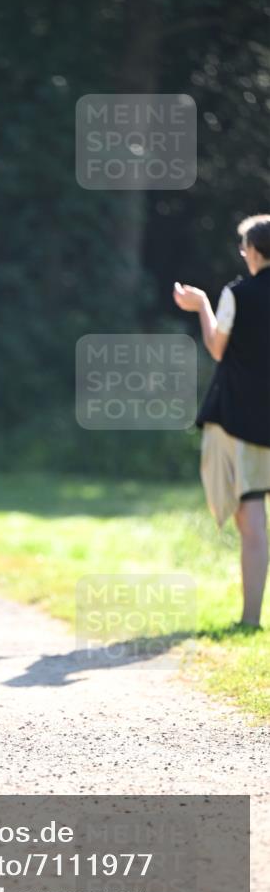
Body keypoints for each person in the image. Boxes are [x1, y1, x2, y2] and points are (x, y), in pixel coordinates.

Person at [173, 214, 270, 629]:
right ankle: (250, 620)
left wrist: (201, 306)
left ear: (252, 250)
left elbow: (216, 347)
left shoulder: (238, 293)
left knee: (250, 516)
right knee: (254, 512)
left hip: (240, 418)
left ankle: (249, 620)